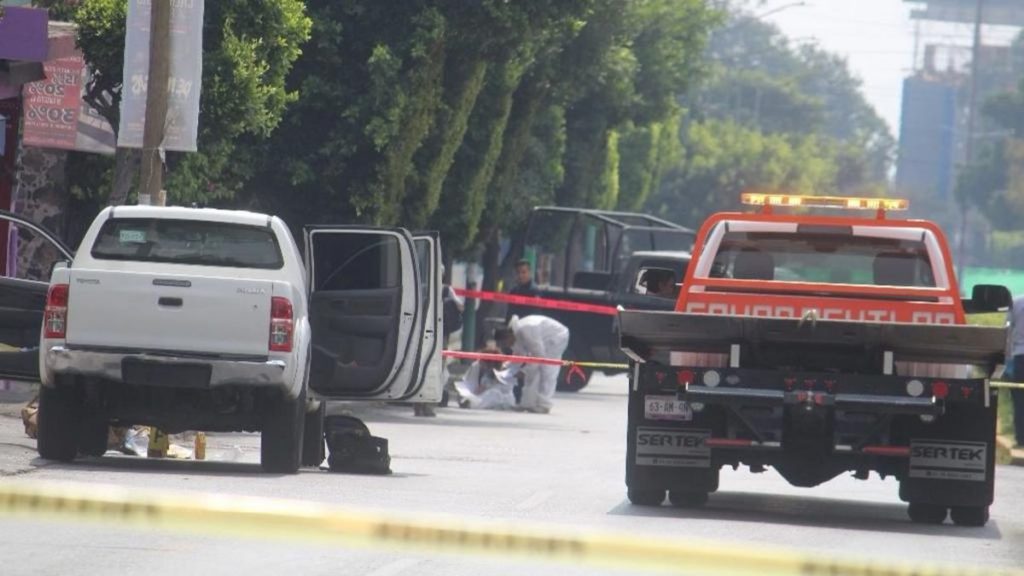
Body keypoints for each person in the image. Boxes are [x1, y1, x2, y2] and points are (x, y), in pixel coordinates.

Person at [494, 314, 570, 414]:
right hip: (541, 343)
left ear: (508, 336)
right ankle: (527, 404)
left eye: (505, 343)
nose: (507, 346)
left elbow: (539, 356)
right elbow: (518, 357)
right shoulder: (517, 336)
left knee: (547, 370)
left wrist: (523, 371)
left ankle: (543, 405)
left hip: (556, 336)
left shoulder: (527, 330)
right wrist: (505, 369)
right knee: (532, 372)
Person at [1005, 295, 1024, 446]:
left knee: (1019, 400)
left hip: (1019, 357)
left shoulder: (1016, 303)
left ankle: (1021, 438)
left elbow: (1007, 331)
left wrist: (1007, 358)